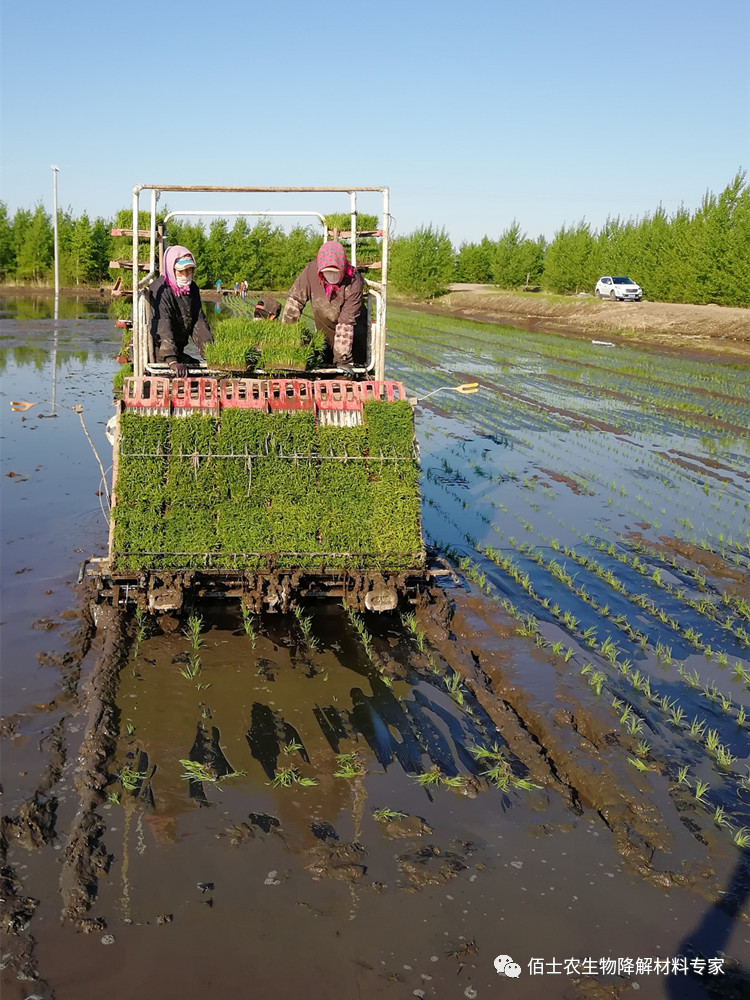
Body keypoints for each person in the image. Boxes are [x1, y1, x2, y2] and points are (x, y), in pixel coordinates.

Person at [280, 241, 366, 368]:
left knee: (345, 375)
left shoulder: (354, 281)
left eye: (335, 272)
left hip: (352, 336)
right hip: (325, 331)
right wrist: (286, 344)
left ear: (342, 267)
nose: (331, 277)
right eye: (327, 273)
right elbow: (294, 302)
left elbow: (346, 323)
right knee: (325, 363)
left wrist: (343, 358)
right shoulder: (311, 272)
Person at [149, 246, 213, 376]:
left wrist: (211, 353)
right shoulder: (160, 290)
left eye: (189, 270)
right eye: (180, 271)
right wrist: (172, 361)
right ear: (171, 270)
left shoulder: (192, 289)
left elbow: (198, 322)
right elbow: (162, 326)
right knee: (176, 379)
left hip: (177, 350)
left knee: (200, 374)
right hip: (157, 352)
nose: (185, 275)